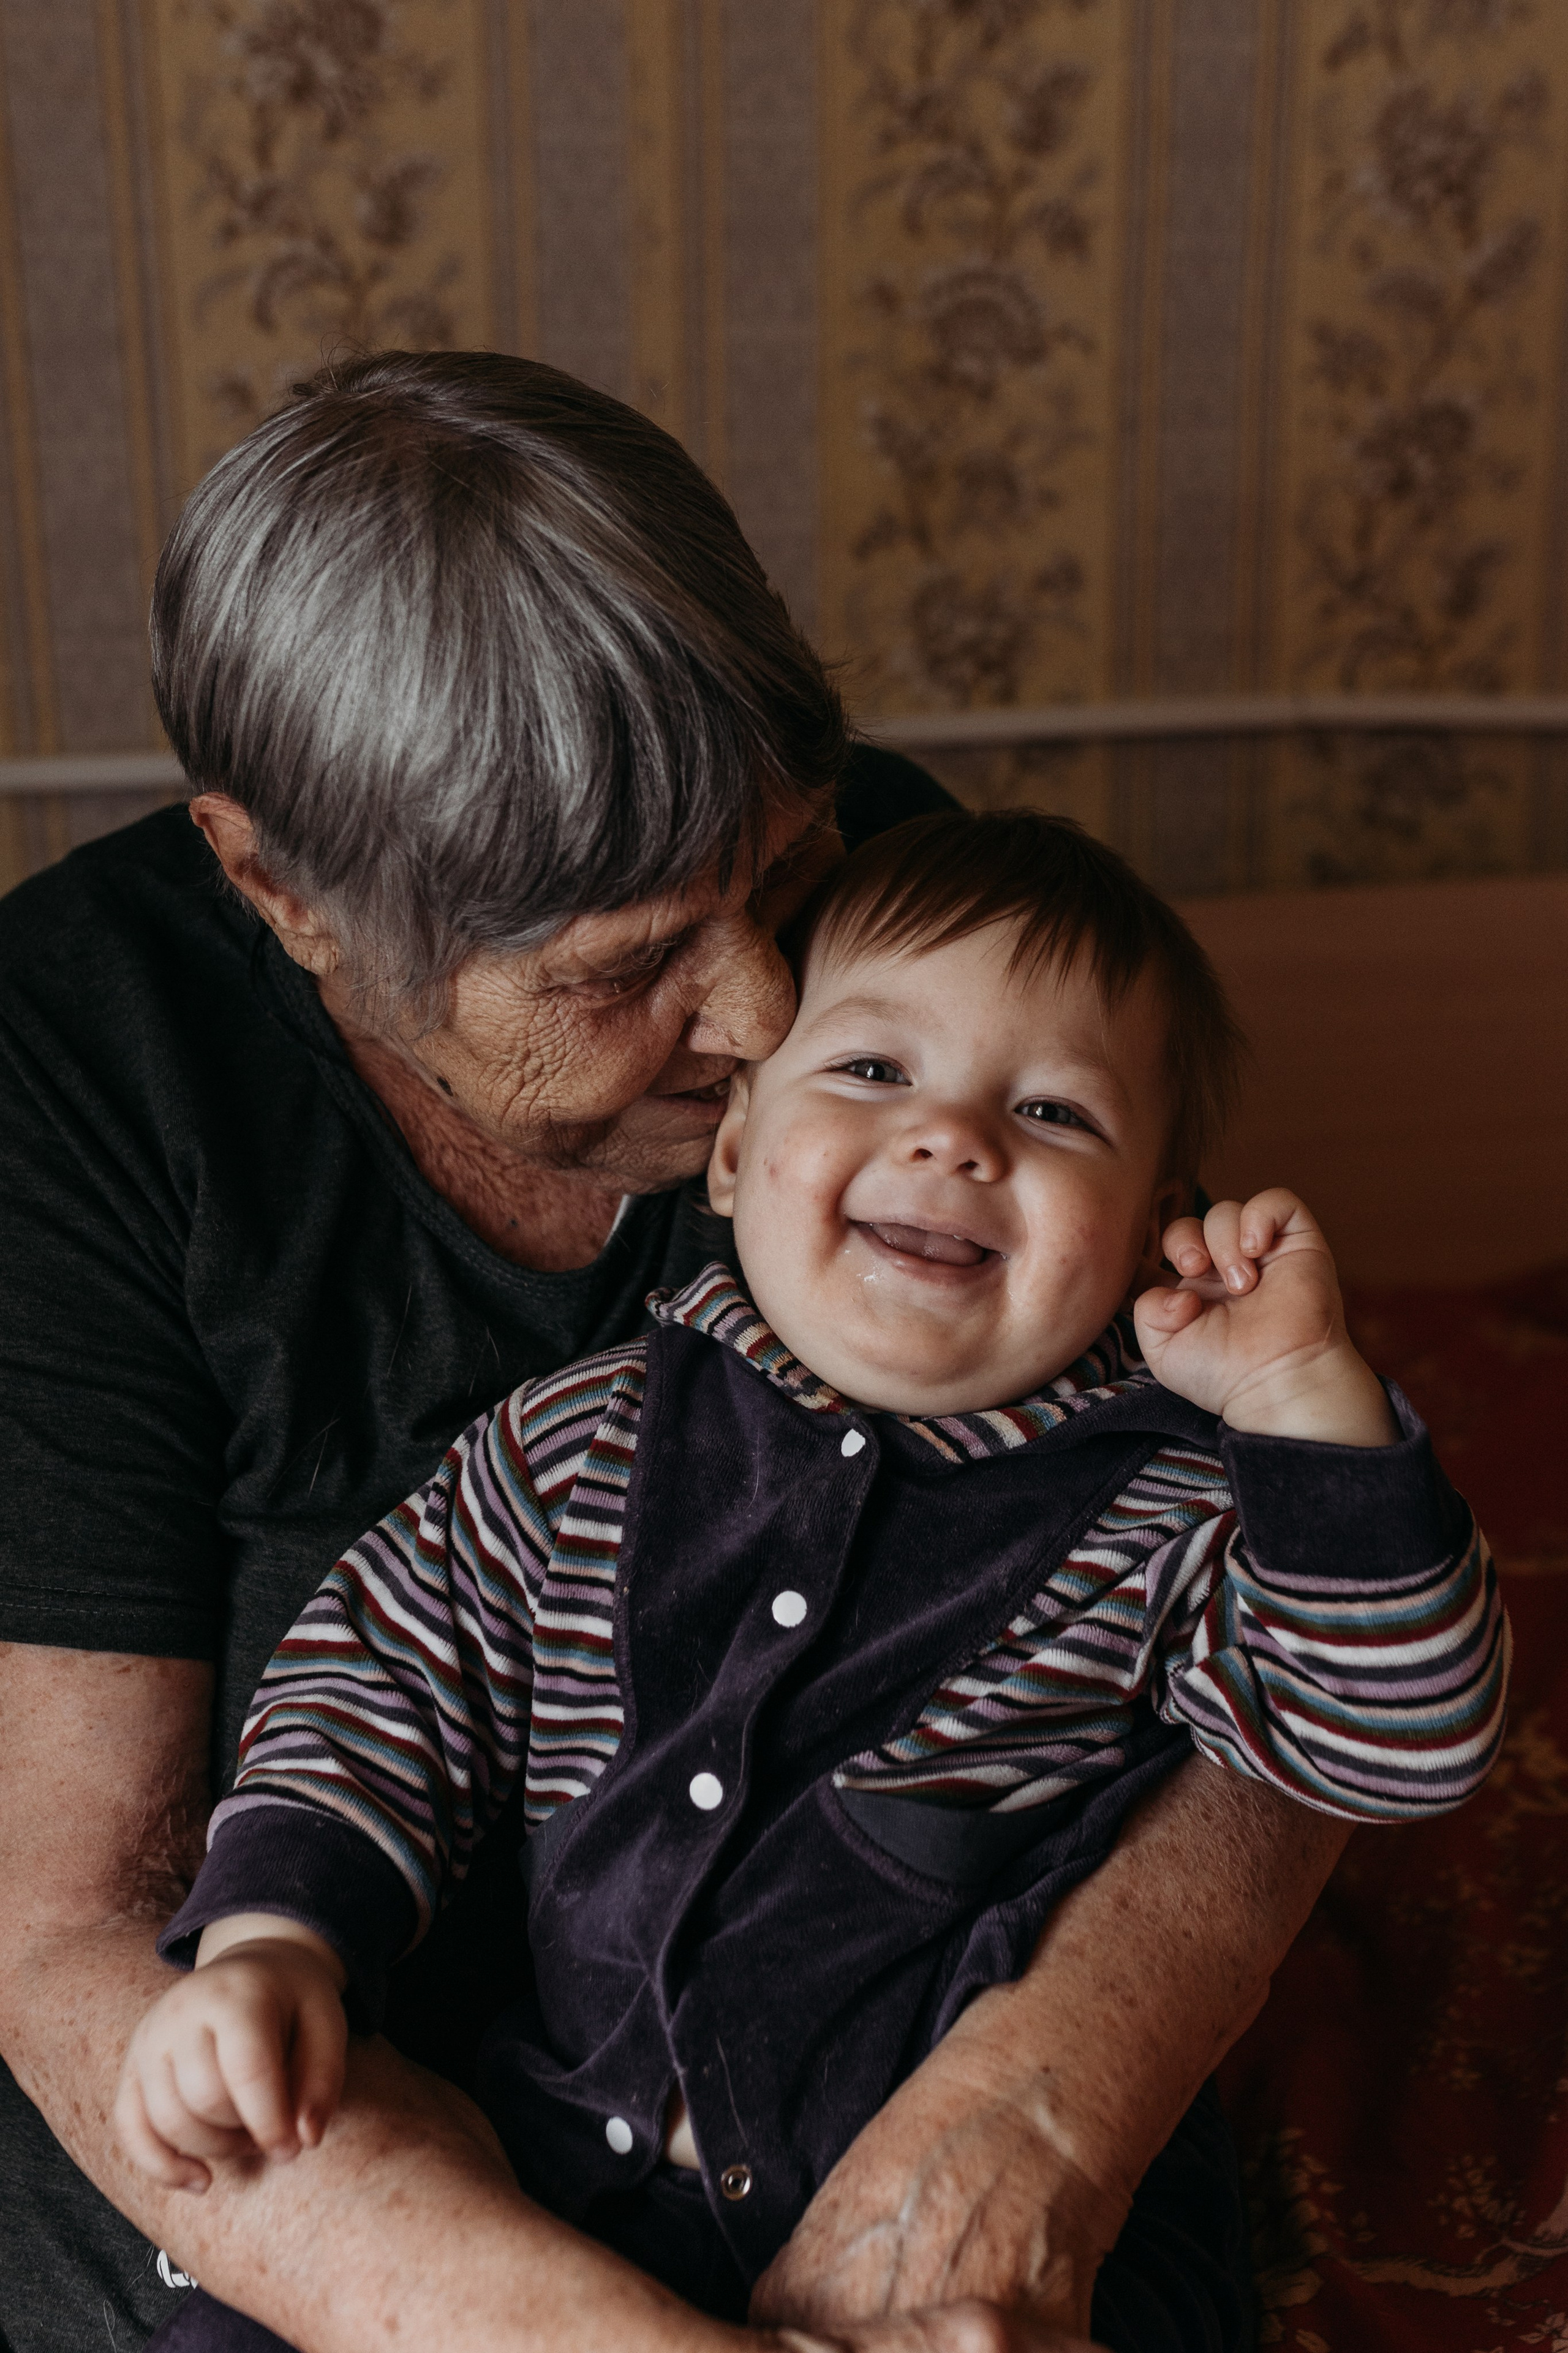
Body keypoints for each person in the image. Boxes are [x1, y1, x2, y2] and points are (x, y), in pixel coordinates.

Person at [0, 350, 1348, 2353]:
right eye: (626, 966)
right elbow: (75, 1927)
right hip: (331, 2140)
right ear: (282, 889)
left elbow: (1251, 1579)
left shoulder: (907, 917)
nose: (774, 1012)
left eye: (785, 871)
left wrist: (1029, 2113)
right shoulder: (75, 1080)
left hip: (883, 2063)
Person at [115, 810, 1507, 2353]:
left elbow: (1397, 1739)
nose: (952, 1137)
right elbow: (380, 1682)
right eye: (871, 1069)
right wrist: (275, 1940)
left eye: (1051, 1111)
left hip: (989, 2254)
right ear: (729, 1151)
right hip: (566, 2172)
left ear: (1146, 1239)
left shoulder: (1180, 1513)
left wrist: (1304, 1399)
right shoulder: (582, 1440)